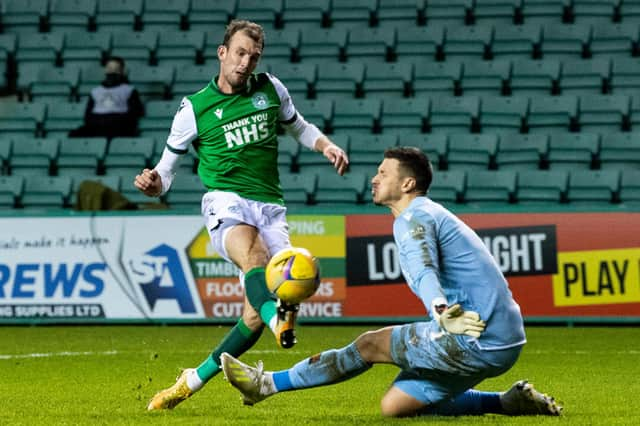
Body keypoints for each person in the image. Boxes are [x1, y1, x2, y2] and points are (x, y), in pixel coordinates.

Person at [221, 147, 563, 418]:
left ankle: (266, 384)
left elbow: (425, 267)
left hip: (471, 334)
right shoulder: (429, 213)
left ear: (407, 184)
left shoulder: (414, 217)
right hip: (502, 340)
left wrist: (440, 310)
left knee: (370, 345)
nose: (374, 179)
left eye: (383, 173)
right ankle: (506, 402)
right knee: (396, 406)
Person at [135, 20, 349, 411]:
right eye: (240, 53)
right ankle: (278, 321)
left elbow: (297, 126)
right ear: (222, 52)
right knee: (255, 259)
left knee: (251, 316)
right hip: (226, 200)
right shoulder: (194, 108)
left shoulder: (270, 88)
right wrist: (154, 184)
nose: (246, 62)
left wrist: (326, 146)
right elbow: (165, 173)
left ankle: (189, 382)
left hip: (270, 207)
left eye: (254, 56)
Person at [69, 56, 144, 139]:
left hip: (119, 126)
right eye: (109, 68)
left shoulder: (130, 90)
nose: (112, 71)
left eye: (116, 68)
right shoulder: (95, 91)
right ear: (105, 70)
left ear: (122, 71)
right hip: (97, 125)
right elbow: (88, 116)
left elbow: (135, 113)